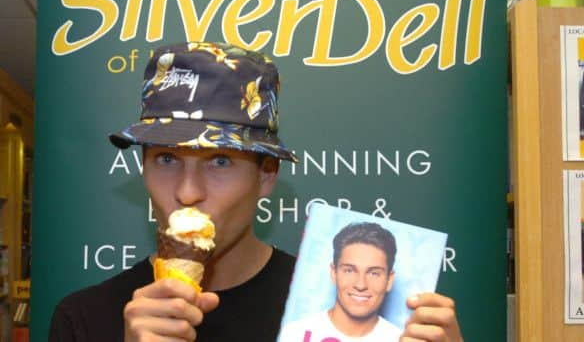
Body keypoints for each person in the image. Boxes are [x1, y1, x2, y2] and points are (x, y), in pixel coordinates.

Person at [49, 41, 464, 342]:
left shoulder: (338, 309)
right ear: (142, 168)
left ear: (267, 175)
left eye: (221, 161)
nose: (188, 192)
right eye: (167, 159)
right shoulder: (85, 319)